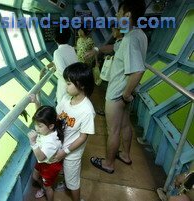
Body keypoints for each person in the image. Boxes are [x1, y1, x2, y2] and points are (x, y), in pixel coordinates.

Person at [90, 0, 147, 174]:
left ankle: (108, 164)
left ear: (128, 14)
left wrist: (125, 94)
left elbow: (138, 71)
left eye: (119, 12)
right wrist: (97, 49)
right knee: (125, 126)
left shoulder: (129, 40)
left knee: (113, 130)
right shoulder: (138, 34)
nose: (116, 15)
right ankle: (126, 155)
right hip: (124, 93)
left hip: (117, 94)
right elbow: (113, 47)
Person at [53, 62, 95, 201]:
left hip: (72, 152)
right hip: (62, 145)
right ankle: (65, 183)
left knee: (73, 181)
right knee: (64, 171)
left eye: (69, 83)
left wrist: (65, 152)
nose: (66, 86)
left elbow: (83, 137)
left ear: (81, 85)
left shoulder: (87, 110)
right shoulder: (66, 99)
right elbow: (57, 117)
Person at [27, 105, 65, 201]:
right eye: (35, 124)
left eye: (39, 126)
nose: (36, 128)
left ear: (51, 126)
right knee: (35, 176)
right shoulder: (47, 130)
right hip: (44, 163)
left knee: (48, 188)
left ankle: (46, 190)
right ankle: (44, 186)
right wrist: (36, 102)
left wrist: (33, 143)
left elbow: (40, 157)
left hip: (50, 166)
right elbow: (42, 118)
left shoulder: (51, 142)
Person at [42, 28, 78, 104]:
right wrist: (47, 66)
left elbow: (63, 72)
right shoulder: (71, 49)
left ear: (55, 39)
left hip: (65, 86)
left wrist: (55, 68)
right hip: (74, 83)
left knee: (62, 106)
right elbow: (62, 59)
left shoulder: (57, 52)